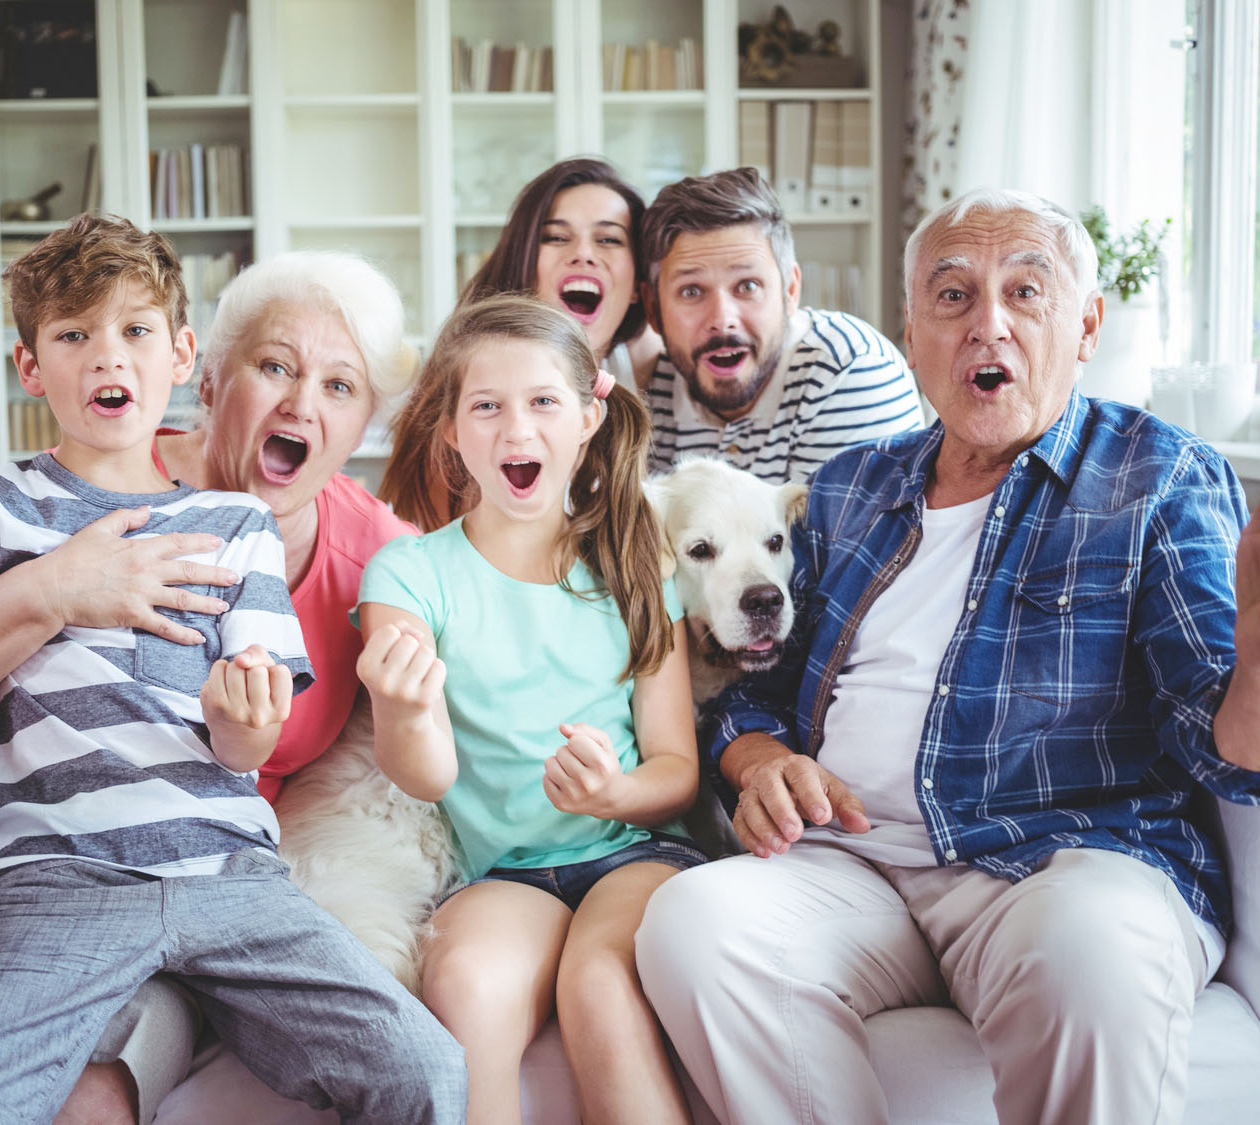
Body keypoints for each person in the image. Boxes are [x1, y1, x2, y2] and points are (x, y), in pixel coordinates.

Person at [633, 188, 1260, 1124]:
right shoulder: (852, 487)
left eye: (1027, 292)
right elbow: (758, 690)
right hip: (853, 866)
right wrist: (759, 759)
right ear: (912, 332)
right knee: (695, 925)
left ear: (1086, 325)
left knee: (1090, 949)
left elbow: (1242, 760)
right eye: (952, 296)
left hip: (1069, 861)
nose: (988, 323)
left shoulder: (1158, 476)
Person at [0, 242, 440, 1125]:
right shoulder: (21, 493)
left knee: (94, 1093)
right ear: (207, 374)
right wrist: (53, 589)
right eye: (273, 366)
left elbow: (440, 687)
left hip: (176, 861)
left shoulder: (367, 557)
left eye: (340, 385)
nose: (299, 402)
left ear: (367, 419)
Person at [358, 295, 707, 1123]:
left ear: (590, 416)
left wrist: (611, 794)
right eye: (486, 406)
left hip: (633, 850)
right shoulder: (408, 576)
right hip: (507, 872)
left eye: (543, 401)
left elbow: (677, 770)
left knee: (599, 978)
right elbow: (426, 771)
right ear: (450, 430)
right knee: (466, 979)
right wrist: (403, 710)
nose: (516, 429)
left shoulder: (636, 562)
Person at [383, 156, 660, 531]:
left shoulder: (642, 370)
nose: (583, 253)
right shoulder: (463, 403)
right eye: (557, 237)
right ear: (524, 266)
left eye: (609, 239)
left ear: (636, 287)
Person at [638, 166, 924, 482]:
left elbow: (835, 532)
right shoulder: (648, 387)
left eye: (747, 286)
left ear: (790, 291)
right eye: (691, 291)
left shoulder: (851, 371)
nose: (722, 320)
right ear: (652, 308)